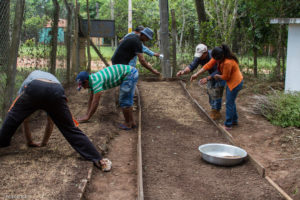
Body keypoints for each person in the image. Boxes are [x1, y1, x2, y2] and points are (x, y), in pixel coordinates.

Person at [0, 70, 112, 172]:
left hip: (35, 87)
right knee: (70, 128)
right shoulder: (53, 79)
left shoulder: (29, 80)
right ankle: (99, 159)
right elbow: (50, 121)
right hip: (56, 91)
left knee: (12, 118)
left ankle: (2, 141)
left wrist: (29, 141)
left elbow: (23, 118)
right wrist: (43, 143)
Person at [110, 27, 161, 129]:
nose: (147, 40)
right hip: (121, 67)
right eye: (147, 38)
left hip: (122, 66)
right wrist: (153, 71)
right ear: (143, 35)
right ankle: (129, 123)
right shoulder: (137, 42)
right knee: (125, 98)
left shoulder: (133, 37)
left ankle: (131, 122)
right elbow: (142, 61)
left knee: (126, 96)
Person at [192, 45, 243, 130]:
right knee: (231, 102)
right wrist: (197, 74)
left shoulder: (228, 62)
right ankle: (234, 120)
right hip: (232, 81)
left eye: (217, 60)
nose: (215, 61)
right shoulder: (217, 57)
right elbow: (208, 65)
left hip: (235, 83)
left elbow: (226, 77)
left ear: (221, 57)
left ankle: (228, 125)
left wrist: (217, 76)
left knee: (229, 103)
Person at [76, 64, 139, 131]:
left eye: (83, 86)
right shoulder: (91, 80)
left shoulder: (96, 82)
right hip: (131, 73)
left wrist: (88, 117)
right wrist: (87, 114)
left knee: (124, 101)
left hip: (129, 74)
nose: (84, 88)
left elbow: (95, 102)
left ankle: (128, 124)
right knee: (127, 99)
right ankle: (132, 122)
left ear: (86, 81)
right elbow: (91, 99)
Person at [177, 44, 225, 120]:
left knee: (217, 92)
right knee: (210, 91)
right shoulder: (199, 57)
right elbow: (192, 66)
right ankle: (213, 108)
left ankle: (216, 111)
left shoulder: (214, 56)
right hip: (211, 75)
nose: (199, 57)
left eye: (201, 55)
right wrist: (183, 72)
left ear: (205, 53)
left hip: (220, 75)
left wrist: (207, 78)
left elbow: (219, 70)